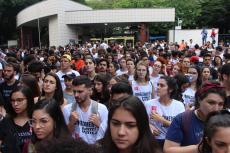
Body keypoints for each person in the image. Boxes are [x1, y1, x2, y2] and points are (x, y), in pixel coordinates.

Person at [164, 81, 227, 153]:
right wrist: (198, 148)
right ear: (199, 100)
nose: (216, 108)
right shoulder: (182, 119)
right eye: (211, 103)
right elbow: (168, 150)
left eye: (220, 104)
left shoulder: (225, 120)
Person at [63, 76, 108, 144]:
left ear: (90, 90)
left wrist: (99, 124)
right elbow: (64, 136)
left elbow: (108, 135)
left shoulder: (102, 109)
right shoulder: (67, 109)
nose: (76, 95)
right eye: (74, 91)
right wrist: (71, 123)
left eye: (80, 91)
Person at [145, 76, 185, 147]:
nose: (158, 87)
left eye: (162, 85)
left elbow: (182, 127)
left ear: (170, 89)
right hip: (153, 142)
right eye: (157, 85)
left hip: (172, 142)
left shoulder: (179, 105)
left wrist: (162, 120)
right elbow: (141, 121)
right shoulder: (149, 104)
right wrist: (149, 126)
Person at [0, 86, 34, 153]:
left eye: (19, 100)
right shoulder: (6, 121)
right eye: (13, 100)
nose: (15, 104)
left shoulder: (36, 120)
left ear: (29, 99)